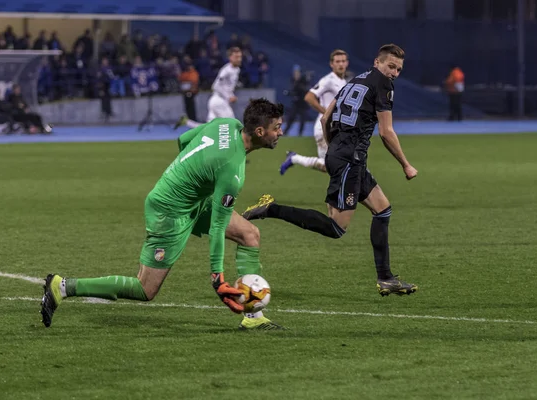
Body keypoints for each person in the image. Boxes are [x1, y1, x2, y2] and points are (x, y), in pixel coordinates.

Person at [40, 98, 286, 331]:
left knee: (250, 234)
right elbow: (218, 228)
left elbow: (183, 140)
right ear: (260, 132)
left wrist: (191, 176)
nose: (281, 133)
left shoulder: (226, 124)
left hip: (194, 200)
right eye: (277, 128)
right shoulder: (232, 172)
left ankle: (253, 316)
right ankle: (62, 286)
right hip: (169, 211)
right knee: (145, 289)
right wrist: (217, 277)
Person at [242, 44, 419, 297]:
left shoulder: (354, 80)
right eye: (391, 66)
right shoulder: (383, 85)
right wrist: (406, 164)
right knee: (336, 228)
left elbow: (326, 118)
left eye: (399, 69)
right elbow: (386, 131)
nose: (394, 73)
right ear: (378, 62)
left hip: (343, 155)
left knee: (382, 210)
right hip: (350, 161)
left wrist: (332, 147)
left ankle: (386, 278)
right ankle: (271, 208)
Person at [280, 50, 348, 174]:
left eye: (343, 61)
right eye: (337, 61)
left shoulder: (343, 82)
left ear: (347, 63)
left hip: (335, 128)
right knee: (335, 167)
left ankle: (294, 158)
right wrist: (327, 113)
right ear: (331, 64)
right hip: (324, 129)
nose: (341, 64)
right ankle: (294, 158)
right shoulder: (328, 80)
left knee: (334, 167)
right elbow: (309, 97)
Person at [175, 47, 242, 130]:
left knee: (208, 128)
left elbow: (227, 86)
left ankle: (187, 122)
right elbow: (216, 86)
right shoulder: (226, 70)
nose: (239, 59)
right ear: (230, 58)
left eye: (240, 57)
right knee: (233, 126)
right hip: (219, 101)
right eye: (236, 57)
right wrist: (229, 96)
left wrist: (230, 95)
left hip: (217, 100)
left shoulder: (237, 70)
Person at [282, 65, 310, 137]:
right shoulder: (293, 80)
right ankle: (285, 132)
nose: (296, 74)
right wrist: (289, 93)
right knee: (291, 117)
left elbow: (306, 90)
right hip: (296, 103)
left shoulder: (303, 80)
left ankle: (300, 134)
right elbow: (294, 91)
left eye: (297, 72)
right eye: (295, 72)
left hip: (303, 103)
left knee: (302, 119)